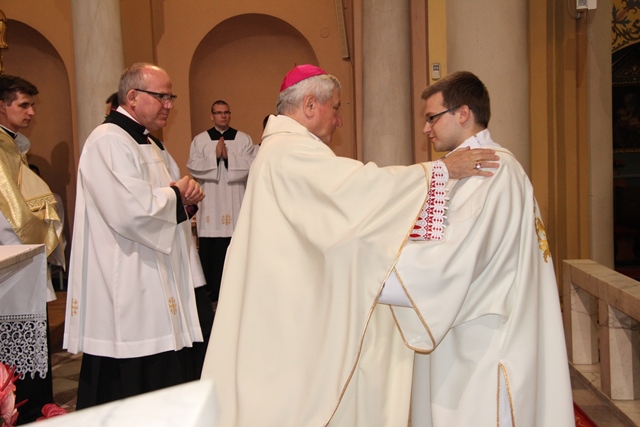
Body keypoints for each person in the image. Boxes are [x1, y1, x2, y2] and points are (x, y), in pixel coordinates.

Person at [200, 64, 499, 426]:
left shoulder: (281, 148)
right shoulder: (290, 152)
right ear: (310, 105)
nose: (339, 120)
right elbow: (357, 191)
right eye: (336, 107)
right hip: (288, 312)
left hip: (285, 300)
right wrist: (440, 171)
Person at [389, 71, 574, 426]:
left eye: (432, 118)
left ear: (463, 113)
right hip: (471, 326)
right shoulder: (476, 168)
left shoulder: (489, 171)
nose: (426, 129)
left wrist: (378, 273)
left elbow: (451, 257)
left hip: (482, 339)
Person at [63, 63, 212, 409]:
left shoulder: (151, 144)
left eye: (171, 97)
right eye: (162, 96)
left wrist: (186, 198)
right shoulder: (107, 141)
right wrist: (177, 195)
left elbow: (170, 195)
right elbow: (130, 210)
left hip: (157, 274)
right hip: (128, 276)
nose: (169, 105)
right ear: (131, 97)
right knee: (131, 377)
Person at [0, 75, 62, 424]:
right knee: (17, 332)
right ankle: (25, 406)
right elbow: (12, 209)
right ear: (1, 106)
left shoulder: (12, 144)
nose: (31, 112)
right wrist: (37, 233)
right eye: (23, 105)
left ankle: (36, 403)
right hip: (12, 254)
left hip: (21, 253)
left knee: (29, 330)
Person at [187, 100, 258, 304]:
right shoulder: (200, 140)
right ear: (212, 116)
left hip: (235, 199)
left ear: (230, 114)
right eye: (218, 113)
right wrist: (214, 156)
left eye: (226, 112)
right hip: (210, 201)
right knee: (211, 249)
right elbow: (193, 166)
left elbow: (252, 165)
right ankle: (211, 291)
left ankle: (236, 289)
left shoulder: (243, 139)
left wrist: (228, 158)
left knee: (234, 246)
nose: (223, 116)